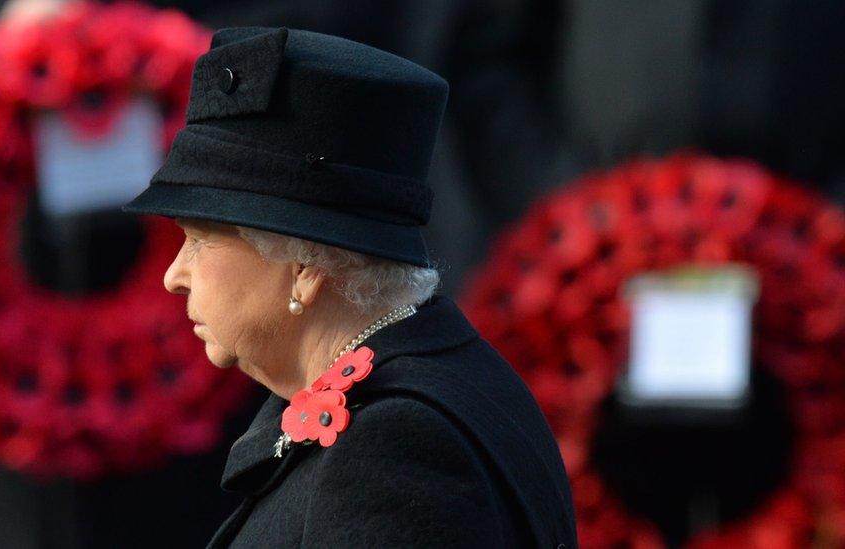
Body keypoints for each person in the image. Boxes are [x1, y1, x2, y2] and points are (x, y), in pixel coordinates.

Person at [122, 26, 576, 548]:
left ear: (304, 267)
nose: (173, 275)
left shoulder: (395, 446)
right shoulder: (429, 382)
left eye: (201, 241)